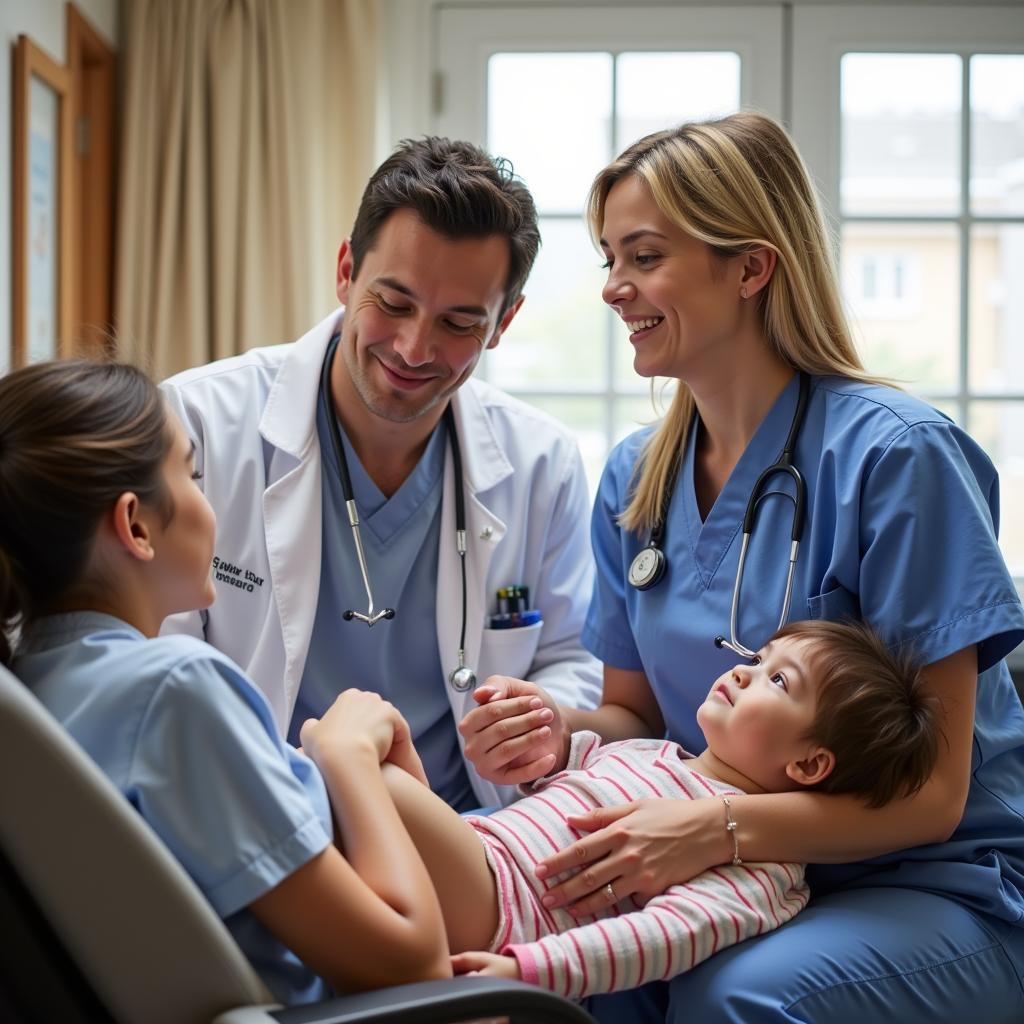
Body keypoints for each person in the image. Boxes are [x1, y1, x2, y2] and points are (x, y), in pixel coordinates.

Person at [458, 113, 1024, 1022]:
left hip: (929, 882)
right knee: (472, 927)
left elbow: (932, 798)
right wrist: (555, 732)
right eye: (608, 258)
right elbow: (635, 714)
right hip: (718, 868)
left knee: (734, 995)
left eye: (643, 256)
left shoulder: (898, 460)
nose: (613, 288)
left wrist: (715, 831)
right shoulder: (637, 480)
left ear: (752, 268)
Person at [160, 136, 601, 812]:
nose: (413, 348)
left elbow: (575, 658)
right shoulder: (197, 423)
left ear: (503, 322)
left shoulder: (543, 463)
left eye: (459, 322)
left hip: (465, 828)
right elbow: (156, 651)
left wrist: (544, 715)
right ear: (346, 271)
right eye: (393, 303)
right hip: (260, 816)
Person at [0, 360, 450, 1006]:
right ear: (135, 525)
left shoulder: (35, 687)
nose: (208, 504)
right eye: (192, 473)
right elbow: (413, 967)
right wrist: (346, 756)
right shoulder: (175, 691)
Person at [360, 617, 940, 1002]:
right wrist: (543, 747)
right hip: (475, 850)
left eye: (778, 680)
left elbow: (659, 938)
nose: (742, 669)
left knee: (360, 762)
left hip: (501, 906)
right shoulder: (656, 753)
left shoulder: (764, 869)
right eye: (759, 657)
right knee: (346, 789)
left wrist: (526, 972)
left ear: (809, 766)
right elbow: (569, 771)